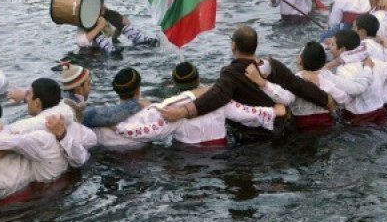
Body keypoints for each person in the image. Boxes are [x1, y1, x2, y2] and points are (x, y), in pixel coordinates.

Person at [160, 25, 334, 140]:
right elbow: (299, 86)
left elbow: (216, 97)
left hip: (253, 136)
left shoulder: (231, 73)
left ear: (233, 46)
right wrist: (326, 100)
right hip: (283, 129)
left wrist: (182, 111)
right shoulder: (274, 66)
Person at [117, 63, 283, 147]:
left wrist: (118, 127)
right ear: (198, 79)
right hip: (222, 154)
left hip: (187, 158)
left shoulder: (171, 108)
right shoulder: (218, 98)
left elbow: (150, 131)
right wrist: (274, 111)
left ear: (174, 84)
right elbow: (247, 113)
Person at [245, 42, 349, 131]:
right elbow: (343, 99)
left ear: (300, 60)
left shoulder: (295, 80)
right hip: (328, 125)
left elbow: (286, 99)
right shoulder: (328, 76)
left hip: (304, 128)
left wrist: (264, 84)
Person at [323, 29, 385, 125]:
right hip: (381, 111)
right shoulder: (370, 61)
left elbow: (345, 97)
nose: (329, 48)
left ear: (342, 49)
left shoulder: (343, 69)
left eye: (332, 45)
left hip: (359, 117)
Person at [353, 13, 387, 106]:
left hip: (377, 99)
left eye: (354, 27)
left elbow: (346, 57)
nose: (352, 30)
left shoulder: (364, 47)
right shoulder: (381, 46)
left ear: (362, 31)